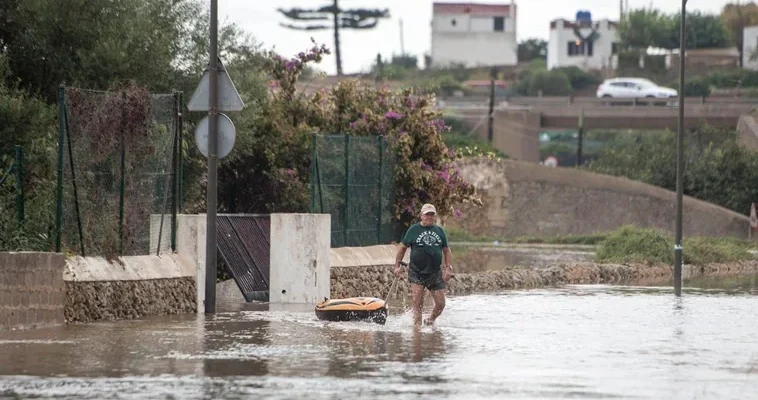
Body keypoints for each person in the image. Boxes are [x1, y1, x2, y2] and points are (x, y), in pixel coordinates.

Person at [394, 203, 453, 326]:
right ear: (421, 215)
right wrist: (397, 266)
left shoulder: (440, 231)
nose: (429, 217)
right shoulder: (414, 230)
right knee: (417, 303)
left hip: (435, 272)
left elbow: (446, 250)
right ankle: (417, 333)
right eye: (427, 215)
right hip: (417, 272)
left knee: (441, 303)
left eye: (432, 215)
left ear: (435, 217)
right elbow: (402, 248)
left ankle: (431, 320)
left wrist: (448, 268)